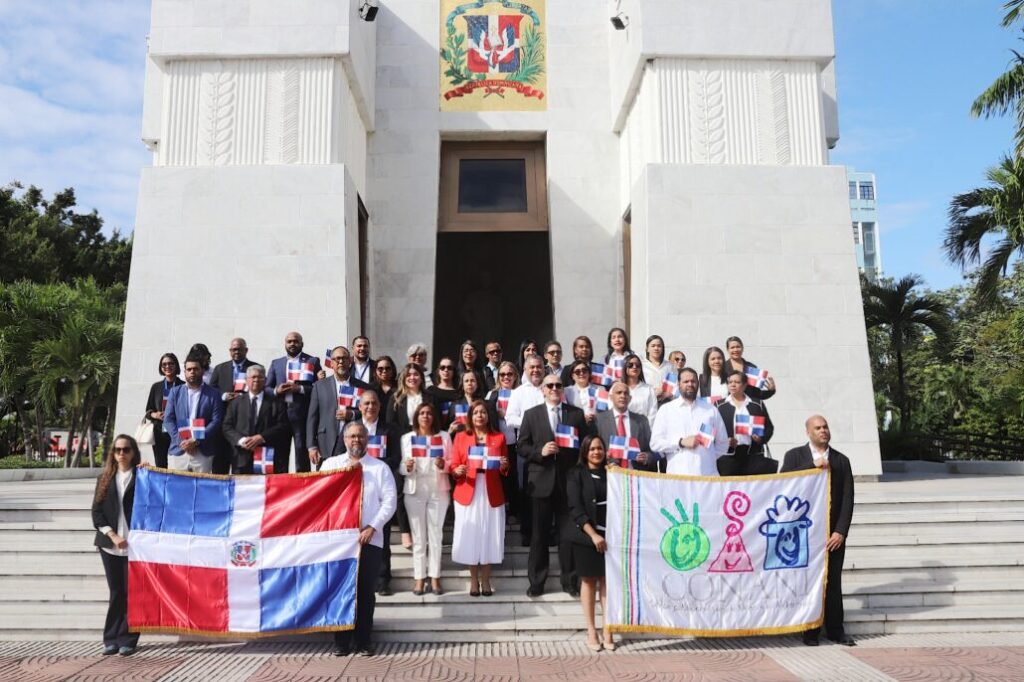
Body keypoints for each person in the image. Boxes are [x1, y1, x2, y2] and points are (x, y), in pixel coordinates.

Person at [321, 422, 397, 657]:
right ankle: (342, 642)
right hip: (338, 543)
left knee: (365, 592)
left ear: (368, 439)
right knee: (339, 591)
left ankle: (364, 641)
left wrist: (372, 527)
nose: (357, 440)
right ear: (344, 439)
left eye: (361, 436)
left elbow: (390, 501)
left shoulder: (379, 468)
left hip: (369, 541)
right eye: (352, 436)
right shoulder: (330, 465)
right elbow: (318, 498)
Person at [781, 415, 855, 648]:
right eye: (818, 428)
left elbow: (847, 498)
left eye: (825, 427)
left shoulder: (841, 460)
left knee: (833, 582)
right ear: (808, 432)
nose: (823, 431)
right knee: (808, 582)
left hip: (832, 535)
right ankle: (810, 631)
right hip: (803, 534)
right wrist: (811, 468)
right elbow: (783, 484)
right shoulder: (795, 456)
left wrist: (840, 531)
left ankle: (836, 630)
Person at [518, 373, 590, 597]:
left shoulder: (575, 415)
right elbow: (521, 446)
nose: (554, 388)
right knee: (539, 535)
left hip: (568, 482)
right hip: (540, 482)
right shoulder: (531, 414)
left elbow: (585, 447)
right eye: (550, 385)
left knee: (568, 535)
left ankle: (570, 581)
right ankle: (537, 582)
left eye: (558, 385)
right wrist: (540, 452)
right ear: (543, 389)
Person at [450, 400, 509, 596]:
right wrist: (457, 469)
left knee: (489, 535)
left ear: (488, 415)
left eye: (483, 412)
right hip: (468, 490)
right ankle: (473, 580)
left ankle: (486, 580)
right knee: (471, 536)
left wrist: (504, 464)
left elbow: (505, 469)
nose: (480, 416)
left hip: (491, 490)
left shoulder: (499, 437)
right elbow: (454, 464)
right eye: (476, 413)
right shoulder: (460, 437)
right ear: (470, 416)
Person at [91, 434, 141, 656]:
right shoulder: (104, 478)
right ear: (113, 453)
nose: (122, 453)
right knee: (116, 591)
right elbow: (96, 513)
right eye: (118, 449)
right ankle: (111, 638)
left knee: (132, 593)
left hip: (135, 546)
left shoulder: (143, 476)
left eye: (126, 449)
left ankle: (128, 639)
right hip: (109, 545)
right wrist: (112, 535)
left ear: (133, 452)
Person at [566, 434, 615, 652]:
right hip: (586, 537)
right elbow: (575, 508)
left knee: (607, 583)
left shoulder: (612, 473)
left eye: (600, 448)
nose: (597, 452)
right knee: (589, 581)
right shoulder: (575, 474)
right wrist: (593, 534)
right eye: (592, 449)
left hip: (612, 536)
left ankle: (608, 629)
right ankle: (591, 630)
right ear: (585, 451)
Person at [399, 403, 451, 596]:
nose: (425, 416)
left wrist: (442, 464)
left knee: (436, 535)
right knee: (419, 537)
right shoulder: (407, 438)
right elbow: (402, 467)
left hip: (438, 490)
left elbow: (452, 462)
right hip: (415, 489)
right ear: (416, 417)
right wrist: (408, 467)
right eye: (422, 413)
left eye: (429, 413)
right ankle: (419, 578)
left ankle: (435, 577)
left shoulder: (443, 437)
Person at [354, 390, 402, 596]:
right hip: (356, 491)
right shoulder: (352, 429)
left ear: (380, 407)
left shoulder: (389, 430)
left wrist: (375, 465)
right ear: (359, 407)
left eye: (374, 403)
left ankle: (383, 580)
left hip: (381, 488)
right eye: (366, 404)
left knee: (382, 534)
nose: (370, 407)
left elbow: (396, 457)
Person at [386, 362, 434, 549]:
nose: (412, 377)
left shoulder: (429, 397)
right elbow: (391, 426)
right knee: (400, 491)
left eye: (416, 374)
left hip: (426, 449)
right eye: (409, 375)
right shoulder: (396, 398)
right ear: (403, 379)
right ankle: (406, 532)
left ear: (421, 377)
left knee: (425, 490)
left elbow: (435, 421)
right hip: (403, 449)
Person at [306, 346, 375, 469]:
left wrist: (352, 415)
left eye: (344, 358)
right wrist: (311, 446)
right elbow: (312, 417)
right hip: (326, 443)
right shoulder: (319, 386)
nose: (341, 362)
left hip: (353, 442)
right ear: (331, 363)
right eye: (337, 359)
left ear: (350, 361)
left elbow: (369, 412)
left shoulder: (362, 387)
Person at [650, 368, 729, 475]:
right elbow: (655, 444)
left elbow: (723, 443)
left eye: (693, 381)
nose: (690, 384)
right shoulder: (666, 410)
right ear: (678, 384)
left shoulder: (711, 410)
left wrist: (707, 457)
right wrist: (680, 442)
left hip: (707, 477)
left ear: (698, 383)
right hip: (678, 476)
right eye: (686, 381)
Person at [504, 354, 546, 545]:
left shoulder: (550, 387)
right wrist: (532, 423)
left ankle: (548, 531)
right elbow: (510, 417)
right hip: (528, 446)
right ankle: (527, 532)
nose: (536, 370)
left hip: (549, 445)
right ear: (526, 370)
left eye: (539, 367)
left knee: (549, 489)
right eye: (532, 367)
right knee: (526, 489)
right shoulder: (519, 392)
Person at [266, 331, 323, 472]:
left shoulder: (312, 361)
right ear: (285, 344)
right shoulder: (276, 363)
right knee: (280, 455)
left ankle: (303, 489)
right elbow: (266, 388)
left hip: (302, 415)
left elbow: (320, 388)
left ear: (302, 344)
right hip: (280, 416)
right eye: (289, 341)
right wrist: (276, 391)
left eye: (296, 341)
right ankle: (281, 489)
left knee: (301, 455)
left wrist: (300, 388)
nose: (292, 344)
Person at [222, 365, 290, 474]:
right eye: (253, 377)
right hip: (241, 457)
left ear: (265, 380)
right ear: (246, 380)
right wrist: (241, 440)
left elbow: (283, 425)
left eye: (260, 377)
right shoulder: (236, 402)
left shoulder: (276, 402)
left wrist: (261, 437)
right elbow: (227, 427)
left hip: (266, 457)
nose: (256, 380)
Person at [164, 355, 224, 472]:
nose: (192, 372)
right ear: (184, 372)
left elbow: (216, 421)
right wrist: (182, 442)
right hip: (179, 451)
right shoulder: (175, 392)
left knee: (201, 489)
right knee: (176, 488)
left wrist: (196, 440)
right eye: (189, 369)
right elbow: (168, 420)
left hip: (203, 452)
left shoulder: (214, 394)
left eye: (196, 369)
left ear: (202, 371)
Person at [485, 360, 523, 538]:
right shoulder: (492, 394)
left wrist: (507, 414)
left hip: (516, 442)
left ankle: (515, 511)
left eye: (510, 374)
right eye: (502, 374)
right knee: (499, 477)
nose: (506, 377)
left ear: (516, 375)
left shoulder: (521, 393)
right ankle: (502, 509)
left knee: (515, 478)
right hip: (497, 442)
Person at [716, 370, 776, 476]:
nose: (733, 385)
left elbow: (769, 428)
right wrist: (723, 441)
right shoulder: (719, 405)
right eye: (730, 382)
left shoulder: (757, 404)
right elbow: (712, 430)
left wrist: (761, 438)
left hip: (753, 456)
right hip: (727, 458)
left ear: (744, 385)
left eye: (737, 382)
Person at [596, 381, 657, 472]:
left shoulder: (641, 420)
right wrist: (604, 456)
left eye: (626, 393)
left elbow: (652, 449)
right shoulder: (599, 420)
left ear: (630, 398)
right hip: (608, 474)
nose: (622, 396)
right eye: (619, 393)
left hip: (636, 474)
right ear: (611, 397)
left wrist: (647, 457)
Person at [144, 352, 183, 468]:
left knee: (181, 465)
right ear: (161, 368)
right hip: (159, 431)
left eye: (171, 363)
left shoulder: (183, 386)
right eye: (164, 364)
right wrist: (155, 415)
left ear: (176, 366)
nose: (167, 366)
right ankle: (162, 486)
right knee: (160, 464)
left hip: (178, 430)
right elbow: (148, 412)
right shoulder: (156, 387)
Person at [725, 336, 777, 401]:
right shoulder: (722, 368)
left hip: (748, 406)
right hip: (727, 406)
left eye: (738, 347)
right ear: (728, 350)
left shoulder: (751, 367)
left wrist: (771, 391)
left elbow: (757, 394)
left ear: (742, 348)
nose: (735, 350)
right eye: (732, 347)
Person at [449, 371, 496, 438]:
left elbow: (494, 428)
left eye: (472, 380)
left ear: (477, 384)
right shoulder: (454, 405)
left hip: (481, 443)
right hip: (461, 443)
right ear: (462, 385)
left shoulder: (488, 405)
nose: (469, 383)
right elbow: (448, 428)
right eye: (466, 381)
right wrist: (450, 431)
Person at [622, 354, 658, 425]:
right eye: (630, 365)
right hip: (623, 428)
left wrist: (646, 430)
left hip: (642, 429)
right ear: (625, 367)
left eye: (638, 365)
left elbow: (653, 413)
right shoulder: (618, 388)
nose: (634, 367)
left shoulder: (648, 389)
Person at [427, 356, 460, 428]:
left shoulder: (459, 393)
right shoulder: (430, 391)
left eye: (449, 368)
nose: (446, 370)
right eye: (442, 367)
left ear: (454, 371)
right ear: (438, 371)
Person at [564, 359, 597, 426]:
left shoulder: (600, 389)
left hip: (597, 426)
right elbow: (565, 413)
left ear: (589, 373)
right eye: (577, 372)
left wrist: (596, 416)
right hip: (577, 428)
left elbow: (606, 411)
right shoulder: (566, 391)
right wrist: (581, 417)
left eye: (584, 370)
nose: (581, 373)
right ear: (573, 376)